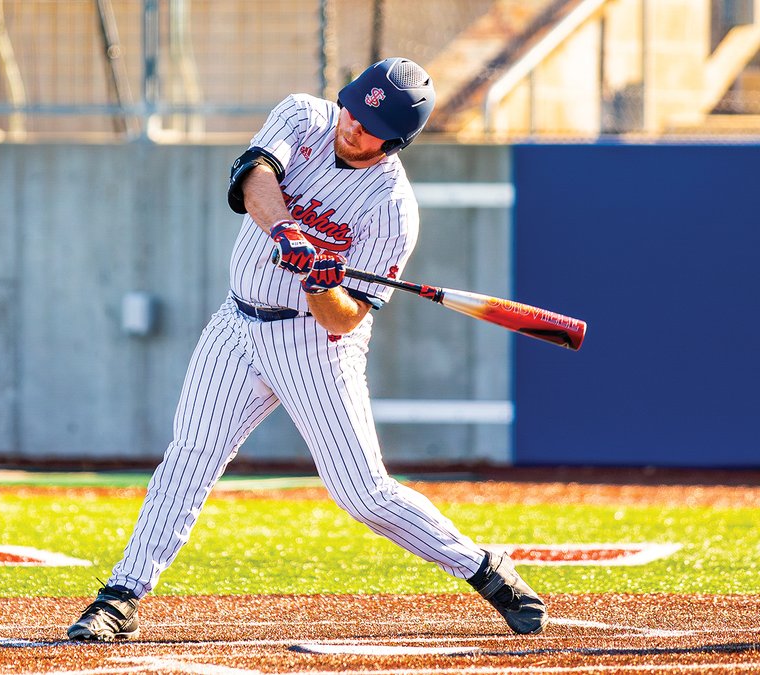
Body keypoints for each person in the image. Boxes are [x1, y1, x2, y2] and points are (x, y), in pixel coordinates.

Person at [66, 57, 547, 641]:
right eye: (352, 111)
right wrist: (288, 234)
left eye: (371, 128)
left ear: (395, 142)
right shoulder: (302, 115)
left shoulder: (391, 209)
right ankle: (121, 596)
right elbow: (254, 178)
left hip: (313, 343)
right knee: (189, 457)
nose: (352, 127)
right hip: (236, 324)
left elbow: (345, 320)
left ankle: (484, 570)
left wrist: (322, 283)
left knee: (362, 494)